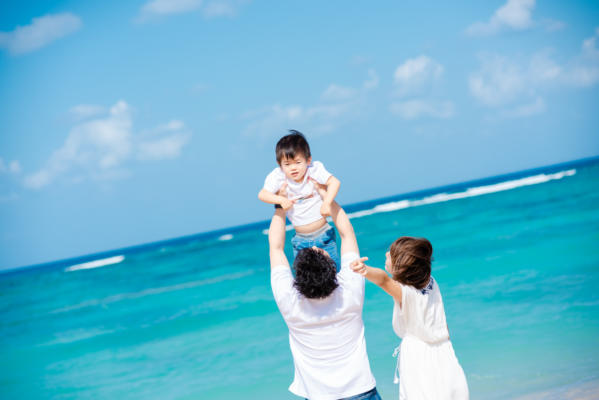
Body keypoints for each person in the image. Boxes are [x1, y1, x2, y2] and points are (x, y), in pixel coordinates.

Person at [268, 199, 381, 400]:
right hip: (360, 391)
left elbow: (275, 248)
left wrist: (280, 206)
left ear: (297, 275)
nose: (315, 247)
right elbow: (347, 234)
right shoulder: (349, 290)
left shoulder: (289, 300)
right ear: (332, 268)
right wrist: (328, 197)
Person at [350, 237, 469, 400]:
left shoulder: (406, 293)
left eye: (391, 254)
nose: (386, 254)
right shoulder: (431, 282)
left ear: (400, 266)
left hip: (419, 355)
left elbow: (383, 279)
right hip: (445, 350)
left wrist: (365, 270)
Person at [259, 130, 341, 269]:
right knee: (305, 279)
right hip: (300, 241)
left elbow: (334, 182)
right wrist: (280, 200)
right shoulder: (278, 176)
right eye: (287, 164)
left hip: (324, 236)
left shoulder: (314, 169)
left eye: (298, 162)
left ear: (308, 160)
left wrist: (327, 203)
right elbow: (262, 195)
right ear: (280, 164)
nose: (293, 168)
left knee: (334, 274)